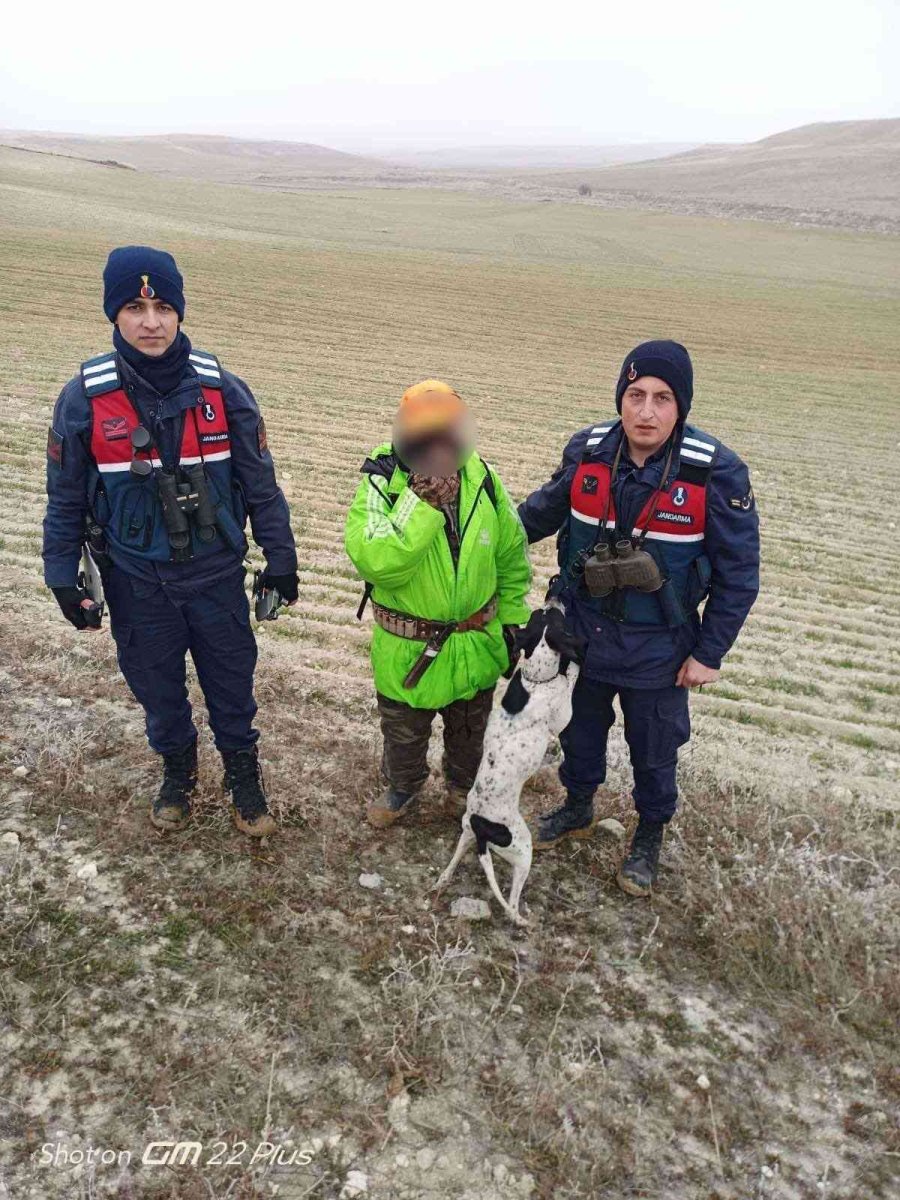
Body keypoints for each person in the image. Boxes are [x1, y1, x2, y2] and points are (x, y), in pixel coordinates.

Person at [42, 246, 298, 838]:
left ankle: (243, 775)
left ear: (179, 312)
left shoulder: (224, 390)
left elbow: (262, 486)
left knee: (232, 685)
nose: (150, 321)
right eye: (134, 306)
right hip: (137, 586)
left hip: (215, 580)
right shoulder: (82, 398)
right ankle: (178, 772)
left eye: (162, 306)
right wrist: (62, 575)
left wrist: (281, 561)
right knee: (157, 688)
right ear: (115, 314)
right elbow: (65, 500)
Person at [518, 340, 759, 895]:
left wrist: (708, 654)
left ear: (681, 407)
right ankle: (578, 805)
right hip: (582, 635)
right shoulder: (589, 450)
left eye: (662, 398)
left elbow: (739, 575)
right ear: (620, 398)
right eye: (635, 395)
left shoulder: (714, 473)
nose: (646, 411)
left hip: (661, 647)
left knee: (654, 750)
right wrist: (472, 527)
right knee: (579, 734)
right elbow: (537, 515)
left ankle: (649, 834)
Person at [345, 380, 532, 827]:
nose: (438, 447)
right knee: (403, 735)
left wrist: (513, 623)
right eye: (425, 435)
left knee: (470, 733)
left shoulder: (483, 479)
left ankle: (462, 792)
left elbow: (511, 556)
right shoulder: (382, 480)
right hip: (407, 652)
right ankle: (403, 789)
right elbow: (376, 562)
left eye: (446, 434)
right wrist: (420, 505)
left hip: (474, 646)